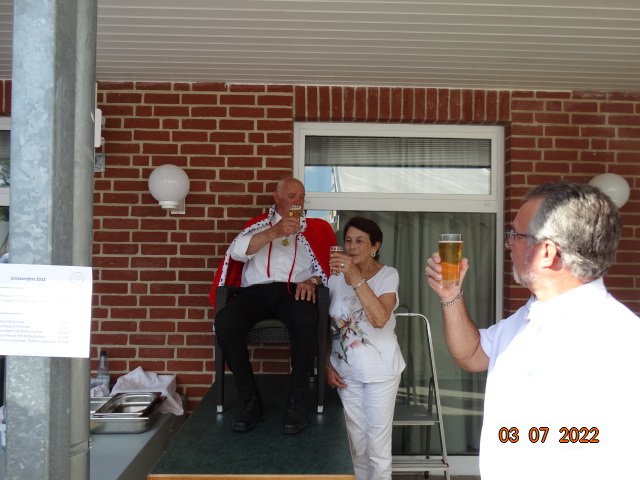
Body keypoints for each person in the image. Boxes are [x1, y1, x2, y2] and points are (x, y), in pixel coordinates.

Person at [425, 180, 640, 479]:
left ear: (546, 252)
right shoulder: (530, 315)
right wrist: (451, 297)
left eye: (515, 235)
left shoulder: (619, 340)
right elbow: (472, 354)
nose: (508, 244)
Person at [211, 177, 336, 434]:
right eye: (292, 196)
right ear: (276, 197)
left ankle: (296, 401)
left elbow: (326, 268)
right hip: (255, 293)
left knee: (306, 320)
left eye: (301, 197)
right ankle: (250, 400)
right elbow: (237, 253)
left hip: (294, 291)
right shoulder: (257, 225)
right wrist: (274, 232)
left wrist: (312, 281)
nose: (297, 201)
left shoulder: (315, 228)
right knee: (225, 322)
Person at [326, 216, 405, 480]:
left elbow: (379, 318)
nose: (352, 246)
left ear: (375, 246)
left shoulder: (388, 275)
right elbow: (326, 326)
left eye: (360, 241)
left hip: (381, 372)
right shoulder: (334, 277)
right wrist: (326, 364)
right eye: (348, 240)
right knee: (355, 447)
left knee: (378, 449)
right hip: (345, 373)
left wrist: (355, 277)